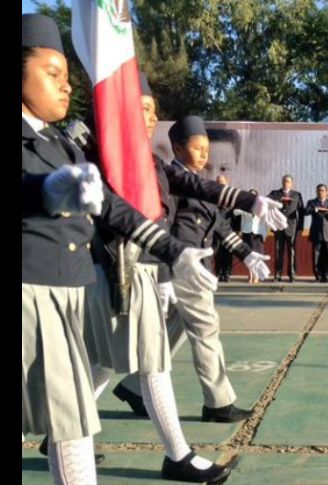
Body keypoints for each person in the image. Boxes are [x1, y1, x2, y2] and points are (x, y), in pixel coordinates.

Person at [22, 15, 227, 484]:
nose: (65, 85)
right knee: (69, 417)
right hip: (34, 294)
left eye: (67, 75)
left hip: (68, 290)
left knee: (71, 422)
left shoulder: (62, 144)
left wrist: (175, 252)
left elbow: (117, 207)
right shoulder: (66, 146)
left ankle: (175, 454)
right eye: (51, 73)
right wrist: (47, 191)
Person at [112, 115, 274, 431]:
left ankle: (132, 387)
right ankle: (219, 402)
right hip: (181, 266)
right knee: (205, 328)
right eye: (197, 148)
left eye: (206, 149)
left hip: (197, 266)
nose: (204, 155)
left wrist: (247, 253)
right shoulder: (173, 176)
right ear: (176, 148)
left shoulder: (200, 181)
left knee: (171, 331)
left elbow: (221, 228)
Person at [268, 175, 305, 282]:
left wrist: (300, 227)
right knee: (278, 251)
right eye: (284, 181)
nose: (286, 183)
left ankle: (292, 274)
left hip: (292, 226)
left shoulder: (297, 195)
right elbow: (267, 200)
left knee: (291, 251)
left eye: (288, 181)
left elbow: (301, 212)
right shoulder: (275, 193)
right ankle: (278, 275)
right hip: (278, 225)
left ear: (291, 183)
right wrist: (280, 199)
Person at [305, 184, 328, 282]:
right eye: (319, 190)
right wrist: (315, 209)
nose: (321, 192)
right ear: (316, 192)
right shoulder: (312, 202)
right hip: (317, 232)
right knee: (317, 254)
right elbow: (306, 211)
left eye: (323, 190)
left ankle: (326, 275)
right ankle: (318, 275)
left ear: (327, 192)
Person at [234, 189, 269, 283]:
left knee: (258, 255)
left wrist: (265, 234)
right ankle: (250, 275)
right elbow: (236, 213)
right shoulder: (244, 206)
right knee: (248, 256)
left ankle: (256, 276)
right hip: (247, 232)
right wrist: (244, 212)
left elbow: (265, 221)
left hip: (258, 233)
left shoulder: (261, 206)